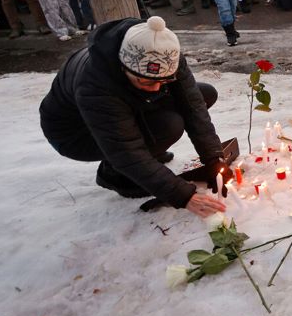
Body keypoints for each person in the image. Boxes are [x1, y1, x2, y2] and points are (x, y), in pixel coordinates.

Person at [39, 16, 230, 216]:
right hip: (75, 134)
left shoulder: (165, 53)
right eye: (146, 82)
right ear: (125, 68)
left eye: (164, 81)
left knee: (203, 94)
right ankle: (114, 174)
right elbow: (125, 150)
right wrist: (183, 196)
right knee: (168, 126)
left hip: (121, 106)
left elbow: (193, 107)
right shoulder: (95, 85)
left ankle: (151, 149)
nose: (156, 88)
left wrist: (213, 158)